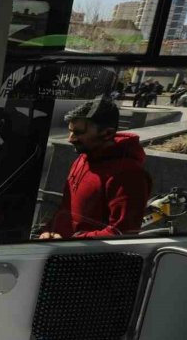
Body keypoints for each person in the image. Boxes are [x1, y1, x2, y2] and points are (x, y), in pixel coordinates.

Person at [40, 98, 151, 240]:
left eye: (79, 132)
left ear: (107, 133)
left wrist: (70, 242)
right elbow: (65, 209)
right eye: (70, 131)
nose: (70, 138)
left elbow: (122, 232)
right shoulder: (83, 158)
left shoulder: (129, 174)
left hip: (85, 257)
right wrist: (49, 230)